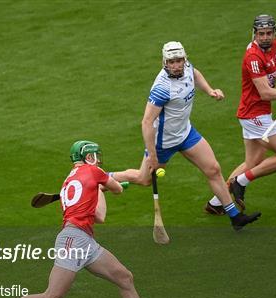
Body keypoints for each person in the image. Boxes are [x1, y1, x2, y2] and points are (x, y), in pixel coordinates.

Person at [0, 140, 179, 298]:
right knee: (52, 297)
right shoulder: (93, 172)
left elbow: (102, 200)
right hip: (73, 240)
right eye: (94, 156)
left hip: (85, 241)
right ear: (86, 157)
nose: (97, 160)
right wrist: (103, 189)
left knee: (124, 277)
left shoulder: (69, 181)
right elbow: (110, 202)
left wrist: (99, 188)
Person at [111, 41, 261, 230]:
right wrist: (154, 155)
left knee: (213, 169)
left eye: (179, 61)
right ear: (165, 62)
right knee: (144, 179)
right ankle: (106, 178)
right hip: (162, 143)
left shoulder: (187, 67)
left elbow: (195, 74)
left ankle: (235, 217)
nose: (176, 65)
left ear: (184, 59)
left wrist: (209, 90)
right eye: (171, 62)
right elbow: (146, 122)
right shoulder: (162, 88)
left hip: (186, 133)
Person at [205, 15, 276, 215]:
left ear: (274, 33)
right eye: (260, 34)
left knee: (252, 163)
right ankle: (241, 181)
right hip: (254, 115)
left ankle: (216, 203)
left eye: (268, 33)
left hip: (258, 113)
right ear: (254, 34)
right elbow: (265, 93)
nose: (265, 37)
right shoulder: (253, 57)